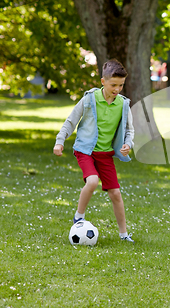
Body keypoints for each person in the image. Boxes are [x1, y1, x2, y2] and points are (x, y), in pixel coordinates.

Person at [53, 59, 135, 243]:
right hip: (86, 151)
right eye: (113, 85)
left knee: (116, 193)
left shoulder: (123, 104)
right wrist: (60, 142)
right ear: (103, 81)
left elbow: (130, 130)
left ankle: (123, 234)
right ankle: (78, 217)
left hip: (105, 154)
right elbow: (71, 121)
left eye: (121, 85)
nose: (117, 89)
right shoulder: (89, 99)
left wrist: (128, 144)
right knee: (92, 181)